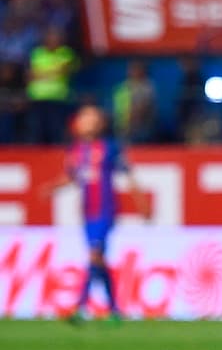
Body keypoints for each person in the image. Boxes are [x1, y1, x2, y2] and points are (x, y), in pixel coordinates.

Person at [39, 105, 147, 322]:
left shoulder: (110, 148)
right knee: (98, 260)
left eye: (91, 117)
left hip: (106, 211)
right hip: (88, 212)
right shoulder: (77, 151)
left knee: (94, 255)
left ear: (101, 123)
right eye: (84, 117)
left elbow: (128, 174)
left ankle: (80, 306)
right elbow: (71, 176)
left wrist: (141, 201)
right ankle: (115, 310)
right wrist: (52, 187)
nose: (87, 121)